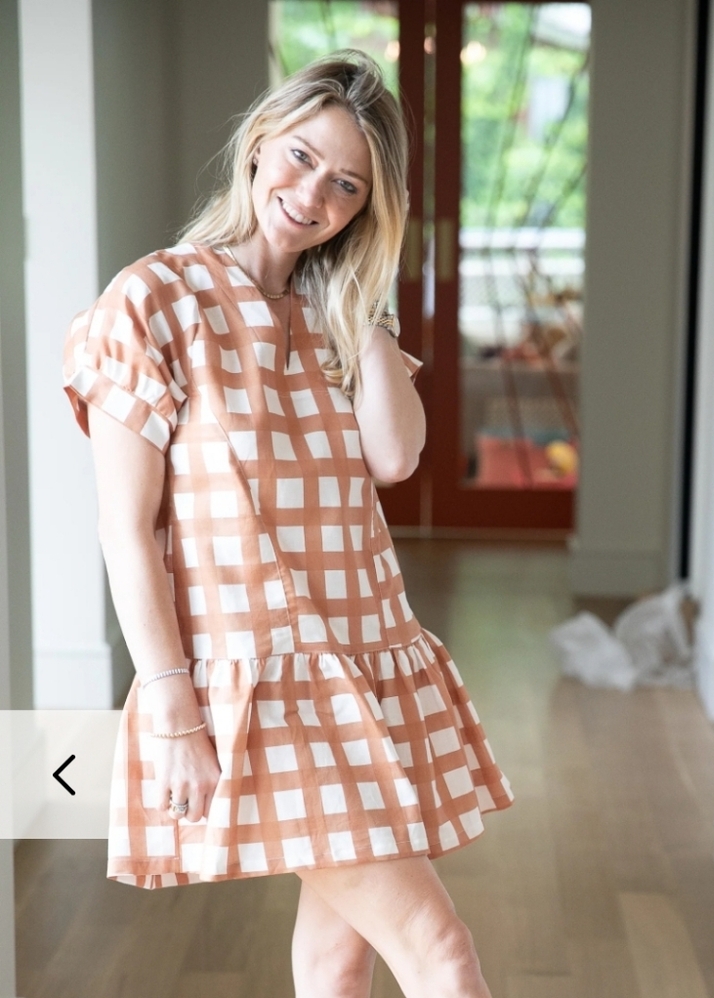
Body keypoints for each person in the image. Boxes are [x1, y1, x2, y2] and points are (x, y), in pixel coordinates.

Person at [63, 51, 513, 998]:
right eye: (304, 158)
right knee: (441, 952)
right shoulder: (153, 300)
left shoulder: (336, 312)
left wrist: (362, 301)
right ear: (260, 144)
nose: (313, 196)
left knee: (337, 960)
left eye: (348, 185)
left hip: (362, 654)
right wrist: (174, 712)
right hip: (261, 682)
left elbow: (396, 457)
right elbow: (125, 528)